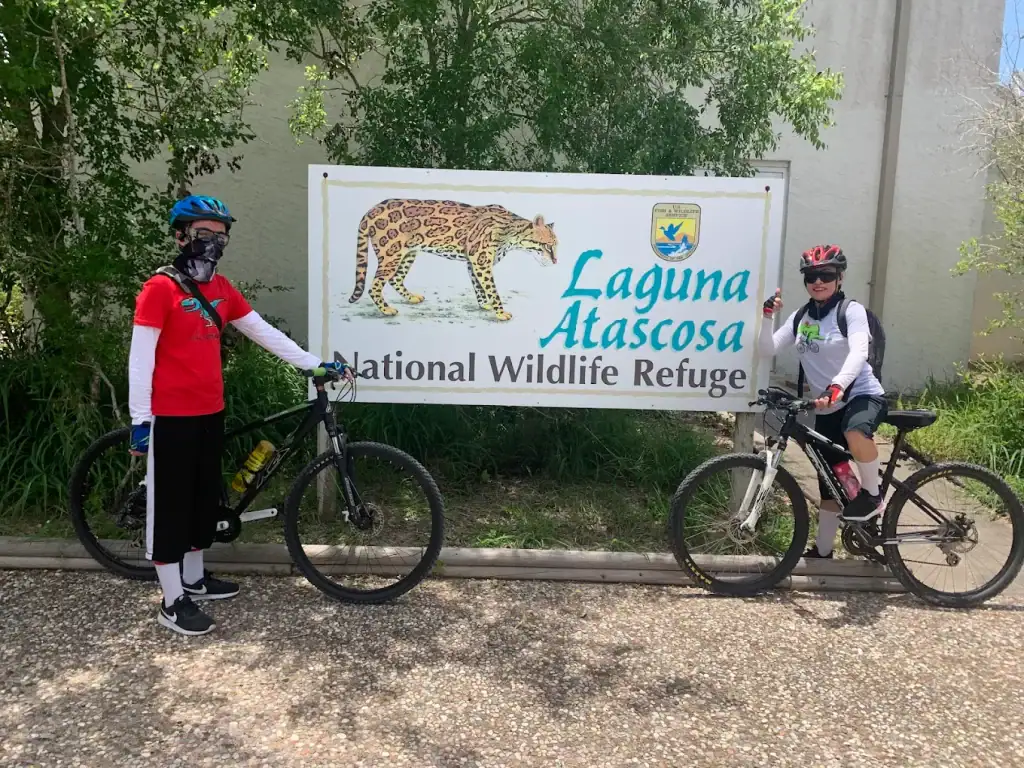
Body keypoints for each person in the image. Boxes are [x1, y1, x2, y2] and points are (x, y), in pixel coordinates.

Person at [128, 194, 351, 636]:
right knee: (170, 506)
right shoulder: (161, 288)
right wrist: (140, 419)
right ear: (181, 236)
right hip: (169, 416)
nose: (212, 242)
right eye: (202, 233)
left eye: (220, 235)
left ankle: (193, 579)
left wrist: (313, 363)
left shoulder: (222, 290)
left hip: (211, 411)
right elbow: (140, 358)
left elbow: (263, 332)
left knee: (202, 500)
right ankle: (171, 601)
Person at [759, 244, 888, 559]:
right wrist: (765, 318)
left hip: (861, 393)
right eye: (811, 276)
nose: (818, 281)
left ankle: (872, 496)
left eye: (826, 274)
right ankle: (823, 549)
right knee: (828, 479)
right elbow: (767, 350)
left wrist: (838, 385)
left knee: (857, 432)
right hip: (827, 404)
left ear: (840, 277)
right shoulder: (802, 316)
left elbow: (859, 351)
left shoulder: (851, 311)